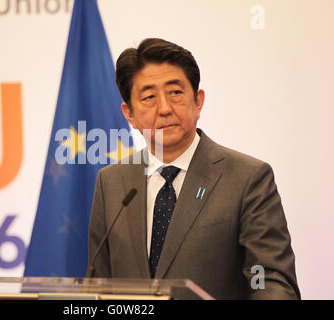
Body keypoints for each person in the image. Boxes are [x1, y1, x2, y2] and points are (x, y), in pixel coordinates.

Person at [85, 38, 300, 299]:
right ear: (129, 114)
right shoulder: (111, 183)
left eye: (175, 93)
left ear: (198, 101)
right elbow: (100, 284)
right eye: (149, 97)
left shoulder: (247, 178)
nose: (164, 109)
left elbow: (268, 278)